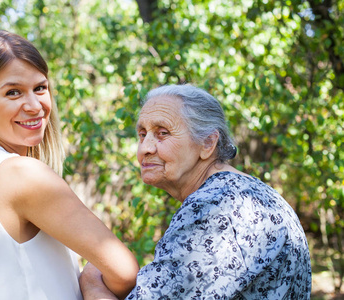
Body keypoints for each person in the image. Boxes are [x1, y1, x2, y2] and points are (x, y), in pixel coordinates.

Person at [0, 30, 139, 300]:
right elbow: (124, 271)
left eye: (40, 88)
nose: (35, 106)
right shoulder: (21, 174)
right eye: (13, 92)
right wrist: (90, 282)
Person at [80, 84, 312, 299]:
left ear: (208, 143)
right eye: (142, 134)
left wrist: (92, 284)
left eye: (162, 133)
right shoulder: (251, 192)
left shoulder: (216, 207)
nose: (145, 149)